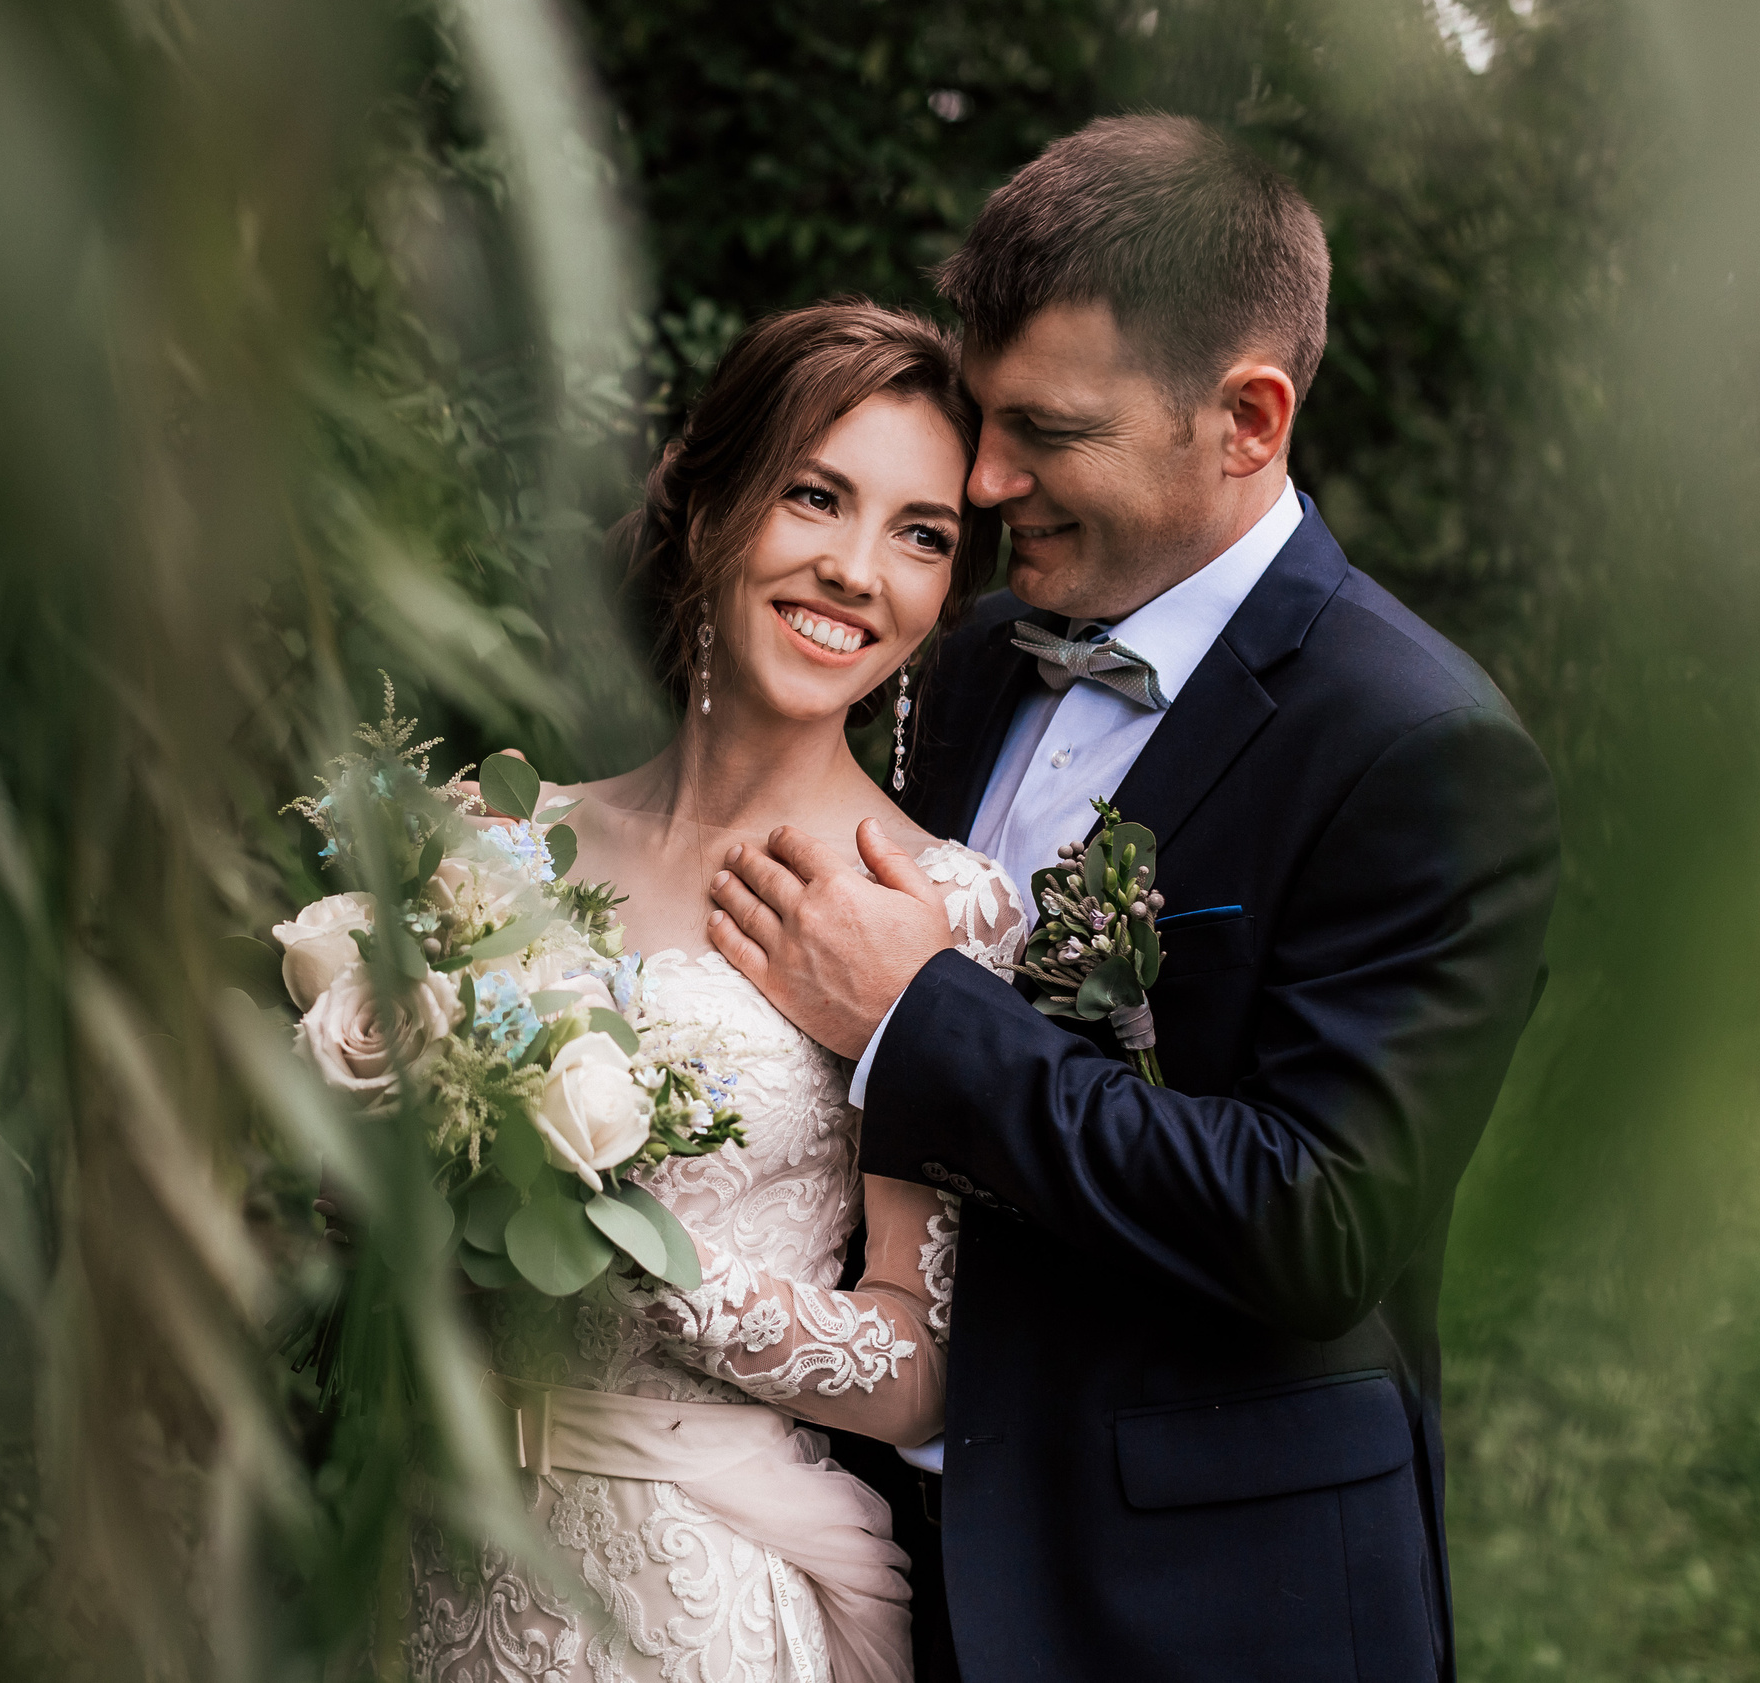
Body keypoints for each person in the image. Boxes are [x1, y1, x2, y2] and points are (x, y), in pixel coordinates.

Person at [705, 117, 1561, 1680]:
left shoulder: (1419, 748)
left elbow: (1317, 1224)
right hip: (888, 1572)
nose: (981, 478)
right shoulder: (960, 670)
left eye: (1044, 429)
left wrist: (922, 1010)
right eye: (979, 417)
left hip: (1213, 1604)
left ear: (1244, 418)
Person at [407, 301, 1022, 1683]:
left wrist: (640, 1269)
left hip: (707, 1598)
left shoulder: (932, 906)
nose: (859, 570)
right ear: (705, 509)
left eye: (921, 534)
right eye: (817, 496)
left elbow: (922, 1370)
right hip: (458, 1564)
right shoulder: (495, 847)